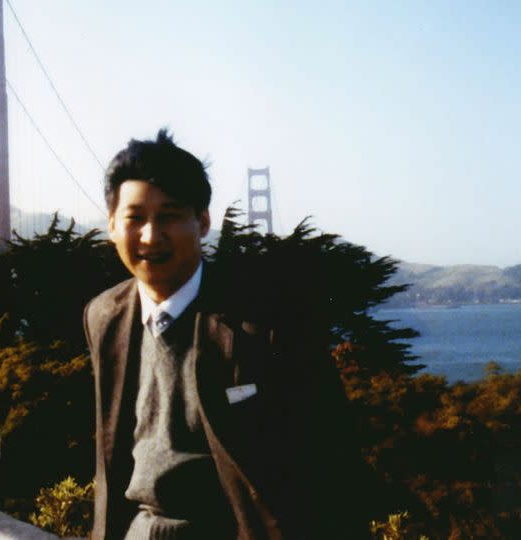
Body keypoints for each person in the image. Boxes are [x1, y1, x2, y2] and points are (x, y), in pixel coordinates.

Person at [83, 130, 363, 539]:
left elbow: (334, 462)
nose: (150, 236)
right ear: (111, 225)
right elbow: (110, 461)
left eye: (170, 216)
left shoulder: (267, 323)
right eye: (135, 218)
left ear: (203, 222)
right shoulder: (103, 316)